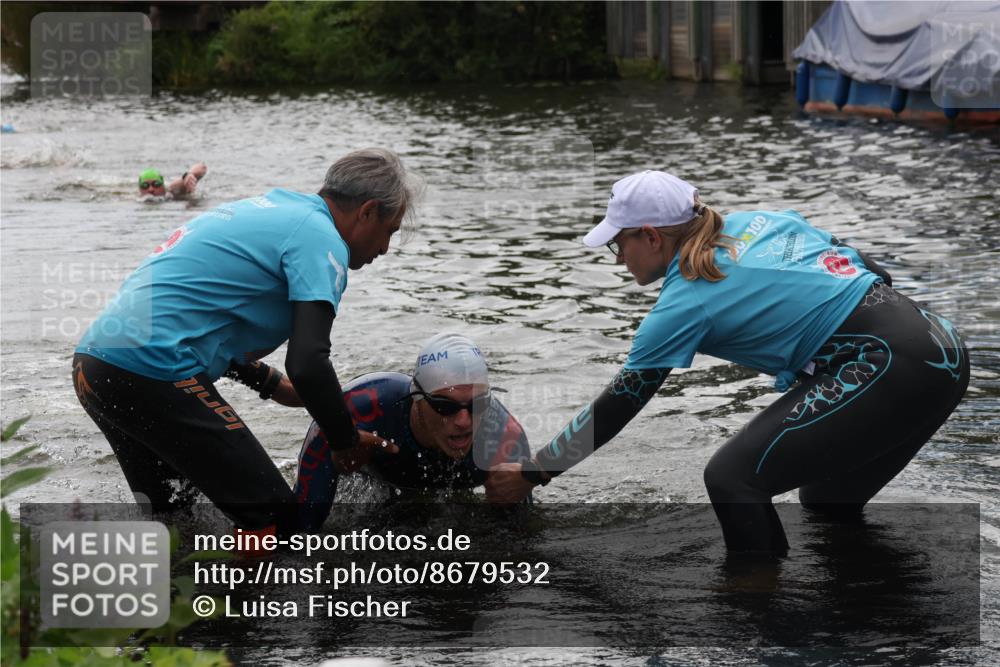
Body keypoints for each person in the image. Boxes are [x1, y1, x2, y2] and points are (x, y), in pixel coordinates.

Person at [486, 170, 970, 554]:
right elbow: (868, 266)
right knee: (824, 502)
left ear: (651, 237)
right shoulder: (764, 220)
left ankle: (755, 610)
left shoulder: (684, 303)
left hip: (887, 364)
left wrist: (534, 472)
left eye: (619, 244)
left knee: (732, 480)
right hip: (942, 345)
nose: (618, 259)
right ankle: (873, 616)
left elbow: (621, 402)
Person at [74, 148, 420, 538]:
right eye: (390, 231)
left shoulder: (273, 209)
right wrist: (345, 441)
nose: (386, 248)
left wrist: (270, 385)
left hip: (96, 364)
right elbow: (307, 362)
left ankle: (180, 594)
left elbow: (193, 317)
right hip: (152, 369)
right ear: (368, 211)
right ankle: (244, 599)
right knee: (279, 524)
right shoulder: (323, 239)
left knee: (176, 519)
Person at [295, 333, 531, 531]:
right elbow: (299, 532)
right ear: (417, 398)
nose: (463, 421)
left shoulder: (505, 441)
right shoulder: (364, 408)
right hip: (376, 478)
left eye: (477, 404)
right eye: (445, 406)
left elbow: (521, 544)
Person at [137, 162, 207, 200]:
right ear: (139, 189)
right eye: (145, 185)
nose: (151, 189)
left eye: (156, 184)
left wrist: (189, 174)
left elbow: (202, 166)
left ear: (162, 185)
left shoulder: (173, 190)